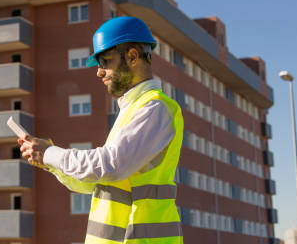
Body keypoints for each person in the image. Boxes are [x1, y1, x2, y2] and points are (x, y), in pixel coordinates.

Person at [19, 16, 184, 244]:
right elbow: (96, 182)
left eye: (105, 61)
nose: (99, 72)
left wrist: (50, 153)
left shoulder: (155, 107)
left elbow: (110, 165)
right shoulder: (133, 109)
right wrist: (48, 161)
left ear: (133, 56)